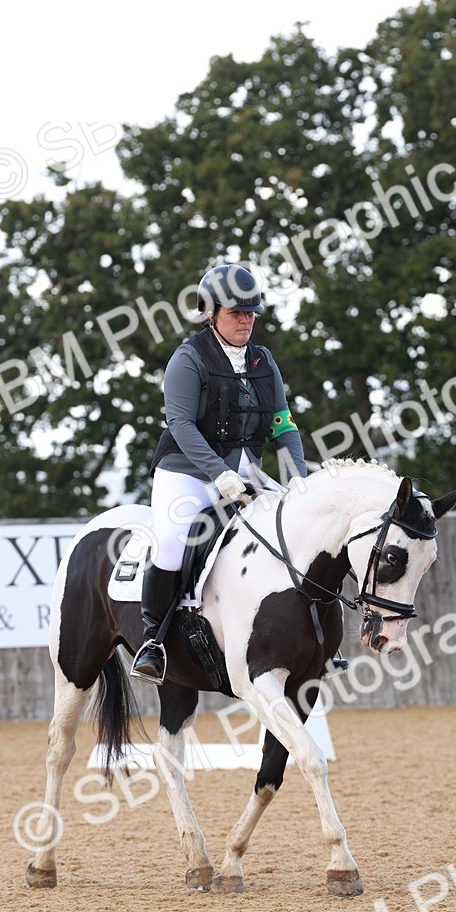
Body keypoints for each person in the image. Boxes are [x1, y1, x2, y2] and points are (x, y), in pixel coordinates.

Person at [131, 263, 307, 683]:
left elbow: (282, 422)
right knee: (173, 543)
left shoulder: (264, 361)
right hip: (188, 472)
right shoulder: (188, 359)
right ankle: (153, 641)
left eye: (251, 313)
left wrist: (298, 477)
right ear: (211, 314)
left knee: (299, 531)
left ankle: (312, 641)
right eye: (236, 313)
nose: (246, 320)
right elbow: (182, 425)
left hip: (247, 470)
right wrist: (218, 474)